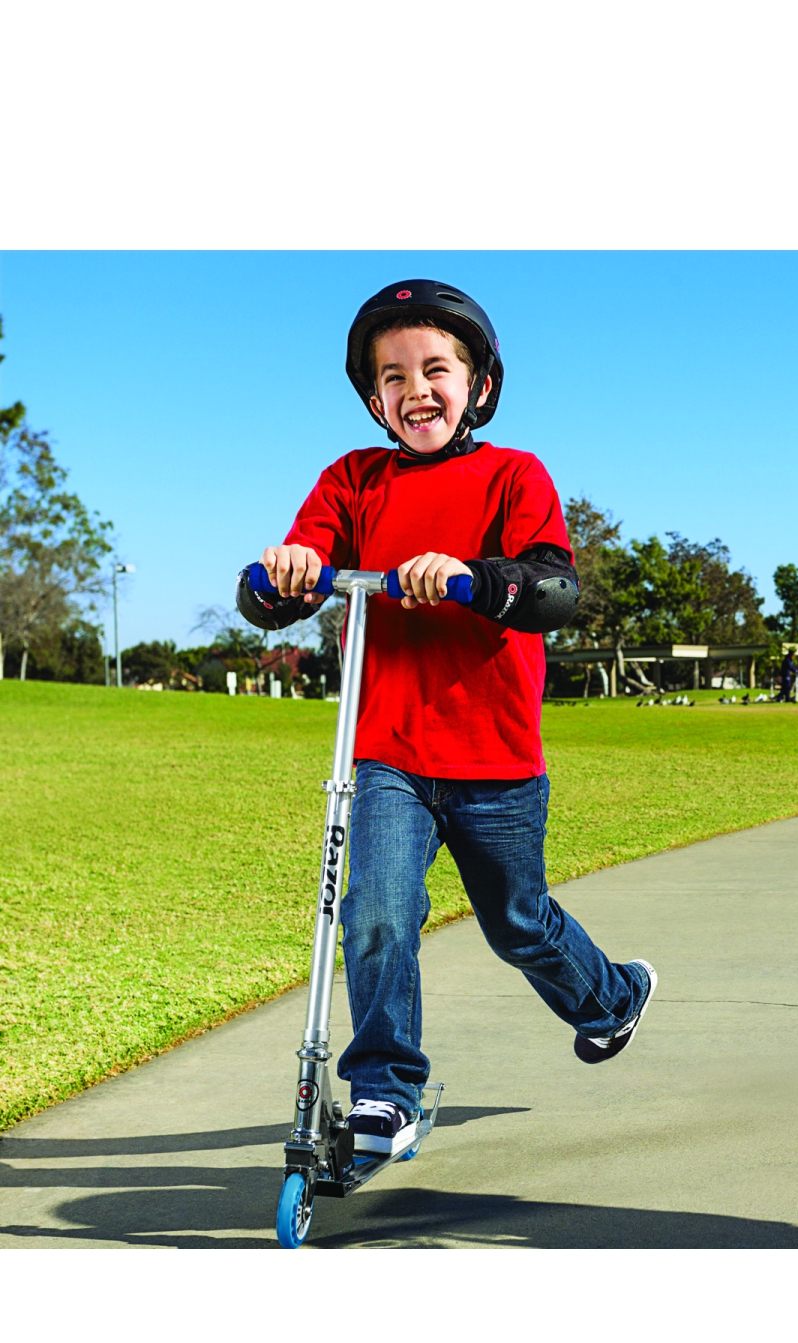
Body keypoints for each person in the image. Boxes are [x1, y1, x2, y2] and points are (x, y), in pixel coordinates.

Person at [239, 279, 657, 1158]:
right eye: (392, 376)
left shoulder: (514, 474)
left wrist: (475, 575)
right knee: (376, 911)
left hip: (493, 754)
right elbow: (293, 571)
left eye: (436, 368)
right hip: (387, 749)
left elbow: (553, 586)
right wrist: (280, 573)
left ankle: (610, 997)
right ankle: (384, 1093)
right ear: (372, 395)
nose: (415, 389)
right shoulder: (352, 479)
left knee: (516, 922)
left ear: (478, 385)